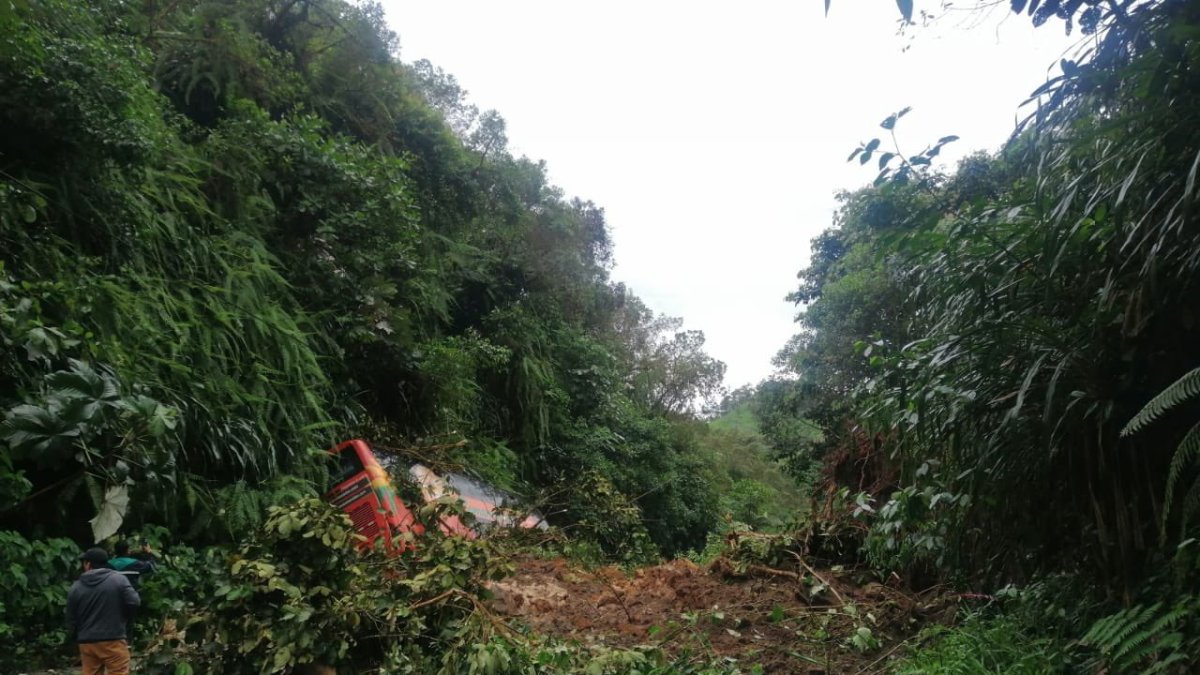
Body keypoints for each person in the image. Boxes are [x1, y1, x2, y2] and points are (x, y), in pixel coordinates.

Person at [65, 547, 140, 675]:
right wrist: (122, 619)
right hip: (113, 638)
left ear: (88, 564)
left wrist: (77, 636)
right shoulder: (118, 580)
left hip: (87, 642)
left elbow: (71, 617)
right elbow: (134, 602)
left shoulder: (76, 586)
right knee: (118, 671)